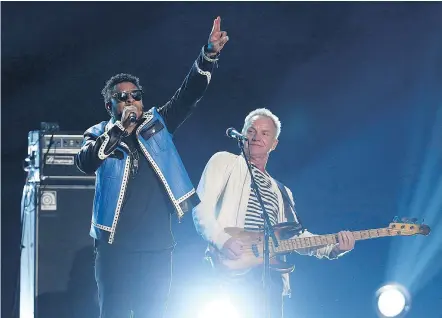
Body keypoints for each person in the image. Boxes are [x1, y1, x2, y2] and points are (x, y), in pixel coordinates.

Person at [75, 16, 229, 318]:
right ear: (110, 106)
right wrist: (118, 130)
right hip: (114, 247)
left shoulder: (158, 124)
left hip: (156, 244)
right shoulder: (98, 134)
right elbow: (86, 161)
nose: (132, 100)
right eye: (122, 97)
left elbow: (188, 95)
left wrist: (207, 56)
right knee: (114, 313)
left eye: (136, 95)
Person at [192, 108, 356, 318]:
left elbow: (296, 237)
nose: (256, 137)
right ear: (242, 134)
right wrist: (222, 239)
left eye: (265, 133)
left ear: (274, 144)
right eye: (251, 131)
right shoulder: (224, 162)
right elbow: (201, 208)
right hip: (227, 269)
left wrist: (333, 247)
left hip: (269, 281)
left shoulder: (281, 192)